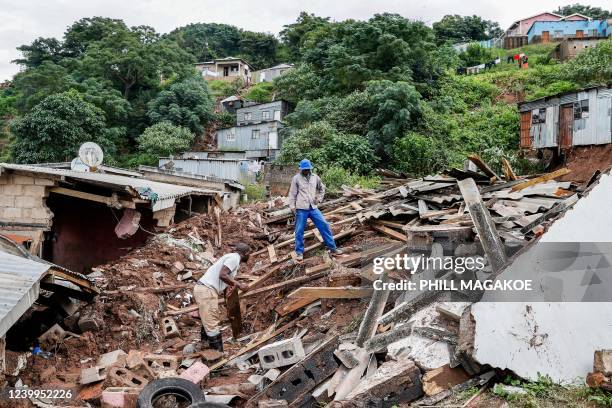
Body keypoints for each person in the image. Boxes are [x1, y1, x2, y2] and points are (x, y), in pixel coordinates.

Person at [193, 243, 250, 352]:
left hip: (204, 289)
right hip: (206, 290)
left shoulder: (230, 257)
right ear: (246, 253)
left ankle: (205, 345)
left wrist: (230, 286)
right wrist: (239, 285)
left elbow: (223, 278)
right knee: (212, 322)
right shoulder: (234, 258)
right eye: (249, 254)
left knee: (208, 318)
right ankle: (218, 356)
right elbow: (223, 275)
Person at [288, 159, 343, 261]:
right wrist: (292, 207)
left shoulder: (315, 177)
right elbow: (292, 194)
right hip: (301, 208)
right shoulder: (296, 178)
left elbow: (322, 188)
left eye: (308, 169)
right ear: (301, 169)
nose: (306, 171)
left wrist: (319, 198)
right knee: (299, 230)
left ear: (310, 169)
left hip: (313, 207)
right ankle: (299, 252)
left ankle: (333, 248)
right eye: (304, 170)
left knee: (324, 225)